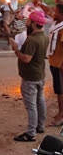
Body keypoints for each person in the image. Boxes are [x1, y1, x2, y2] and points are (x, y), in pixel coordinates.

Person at [10, 10, 49, 142]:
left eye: (28, 21)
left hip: (30, 77)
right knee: (40, 100)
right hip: (40, 74)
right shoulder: (44, 36)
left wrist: (16, 49)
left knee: (31, 105)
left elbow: (26, 58)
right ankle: (40, 126)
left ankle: (31, 133)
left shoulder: (32, 40)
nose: (26, 22)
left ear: (33, 23)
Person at [46, 2, 63, 126]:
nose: (54, 13)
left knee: (61, 90)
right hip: (54, 62)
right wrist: (39, 3)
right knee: (58, 89)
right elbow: (48, 10)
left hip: (60, 64)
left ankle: (62, 115)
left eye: (56, 11)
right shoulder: (57, 23)